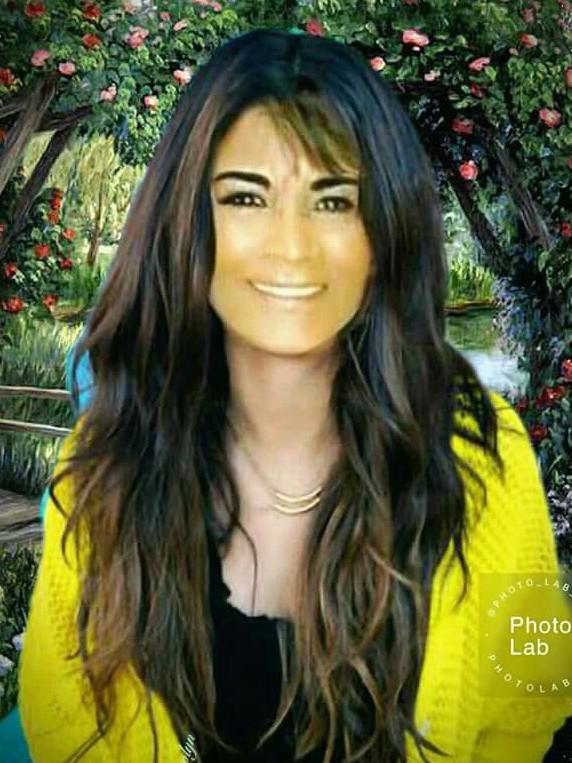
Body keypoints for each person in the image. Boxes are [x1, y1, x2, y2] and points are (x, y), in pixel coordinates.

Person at [16, 27, 572, 763]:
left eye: (333, 201)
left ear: (385, 233)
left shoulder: (483, 450)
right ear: (189, 224)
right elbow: (62, 718)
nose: (291, 245)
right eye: (247, 197)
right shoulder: (106, 461)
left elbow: (533, 694)